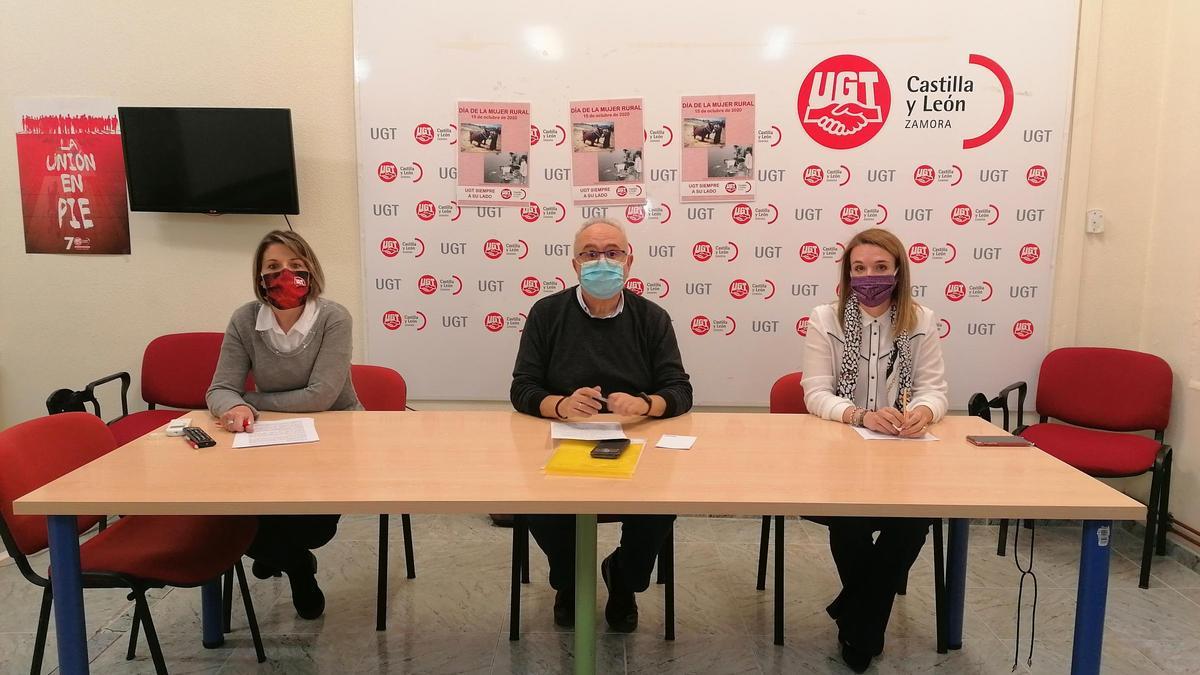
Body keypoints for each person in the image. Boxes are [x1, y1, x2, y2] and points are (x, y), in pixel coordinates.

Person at [510, 217, 692, 633]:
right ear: (574, 264)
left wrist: (645, 404)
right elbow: (523, 387)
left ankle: (623, 579)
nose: (602, 263)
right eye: (590, 254)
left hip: (637, 444)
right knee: (540, 503)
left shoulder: (651, 318)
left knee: (660, 506)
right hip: (561, 441)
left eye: (612, 253)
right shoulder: (547, 313)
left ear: (630, 261)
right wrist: (560, 405)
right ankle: (571, 583)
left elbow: (679, 390)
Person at [800, 227, 948, 672]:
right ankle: (865, 627)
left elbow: (935, 389)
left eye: (881, 268)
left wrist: (922, 411)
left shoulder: (921, 320)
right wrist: (860, 415)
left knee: (913, 522)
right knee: (849, 519)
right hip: (840, 454)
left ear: (899, 271)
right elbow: (815, 393)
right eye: (859, 269)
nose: (870, 277)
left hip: (902, 455)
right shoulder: (825, 318)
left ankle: (856, 615)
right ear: (847, 274)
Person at [206, 230, 361, 620]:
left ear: (311, 270)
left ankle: (288, 555)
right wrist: (232, 407)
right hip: (272, 439)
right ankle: (297, 567)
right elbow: (220, 388)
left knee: (312, 528)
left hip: (335, 434)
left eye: (296, 266)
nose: (284, 275)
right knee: (239, 524)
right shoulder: (245, 319)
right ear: (259, 276)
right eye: (272, 267)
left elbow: (320, 397)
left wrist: (249, 404)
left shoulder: (333, 317)